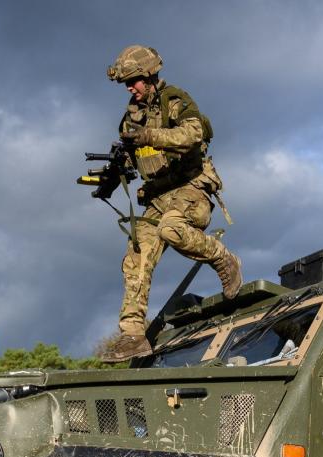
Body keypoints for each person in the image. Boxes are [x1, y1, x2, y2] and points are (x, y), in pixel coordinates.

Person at [99, 45, 242, 362]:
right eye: (126, 82)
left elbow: (191, 135)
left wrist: (149, 136)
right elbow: (129, 158)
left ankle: (223, 259)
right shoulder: (129, 120)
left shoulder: (173, 100)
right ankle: (133, 336)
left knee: (171, 229)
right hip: (158, 197)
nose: (130, 87)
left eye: (134, 80)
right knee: (136, 253)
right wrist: (108, 179)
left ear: (149, 75)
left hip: (191, 189)